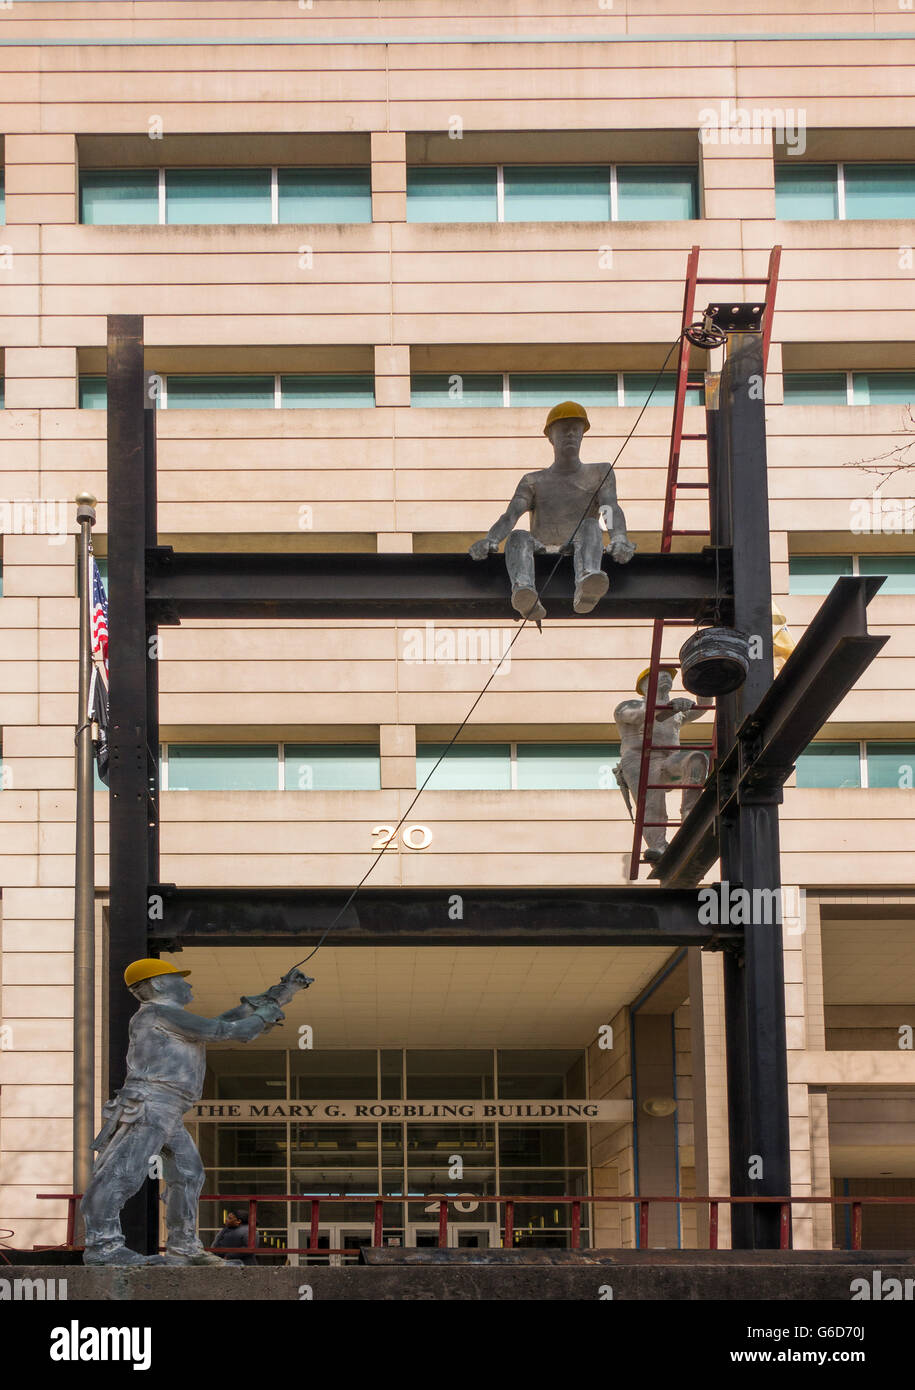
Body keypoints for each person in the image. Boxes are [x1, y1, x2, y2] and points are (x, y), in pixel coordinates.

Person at [80, 958, 310, 1266]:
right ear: (159, 984)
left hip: (169, 1108)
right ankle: (103, 1247)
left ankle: (183, 1245)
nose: (188, 984)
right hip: (150, 1103)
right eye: (180, 979)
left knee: (189, 1174)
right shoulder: (156, 1014)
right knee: (120, 1174)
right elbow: (223, 1030)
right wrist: (265, 1014)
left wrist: (280, 993)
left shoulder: (170, 1017)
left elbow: (221, 1023)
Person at [469, 400, 636, 621]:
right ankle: (524, 592)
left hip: (579, 546)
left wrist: (619, 537)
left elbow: (609, 507)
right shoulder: (533, 481)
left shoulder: (600, 472)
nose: (570, 435)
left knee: (589, 524)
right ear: (550, 437)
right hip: (542, 549)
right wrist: (490, 539)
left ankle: (587, 581)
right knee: (517, 536)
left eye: (575, 429)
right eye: (564, 429)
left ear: (583, 435)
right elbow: (511, 516)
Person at [615, 666, 713, 864]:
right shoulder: (628, 706)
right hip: (640, 760)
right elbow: (640, 715)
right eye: (661, 676)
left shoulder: (675, 711)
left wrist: (702, 681)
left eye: (669, 676)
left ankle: (689, 817)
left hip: (669, 760)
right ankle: (658, 845)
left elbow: (704, 705)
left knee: (697, 758)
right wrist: (669, 707)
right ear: (644, 684)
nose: (667, 678)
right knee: (652, 803)